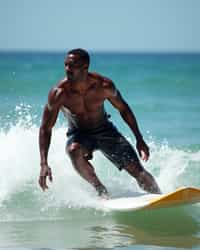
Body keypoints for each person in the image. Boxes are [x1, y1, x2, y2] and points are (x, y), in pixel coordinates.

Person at [39, 48, 161, 197]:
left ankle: (160, 196)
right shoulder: (59, 93)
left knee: (139, 172)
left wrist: (139, 139)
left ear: (85, 67)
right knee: (73, 150)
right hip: (79, 134)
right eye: (66, 65)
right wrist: (44, 163)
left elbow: (124, 109)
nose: (67, 69)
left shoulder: (104, 86)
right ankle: (100, 189)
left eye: (72, 66)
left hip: (105, 131)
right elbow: (46, 128)